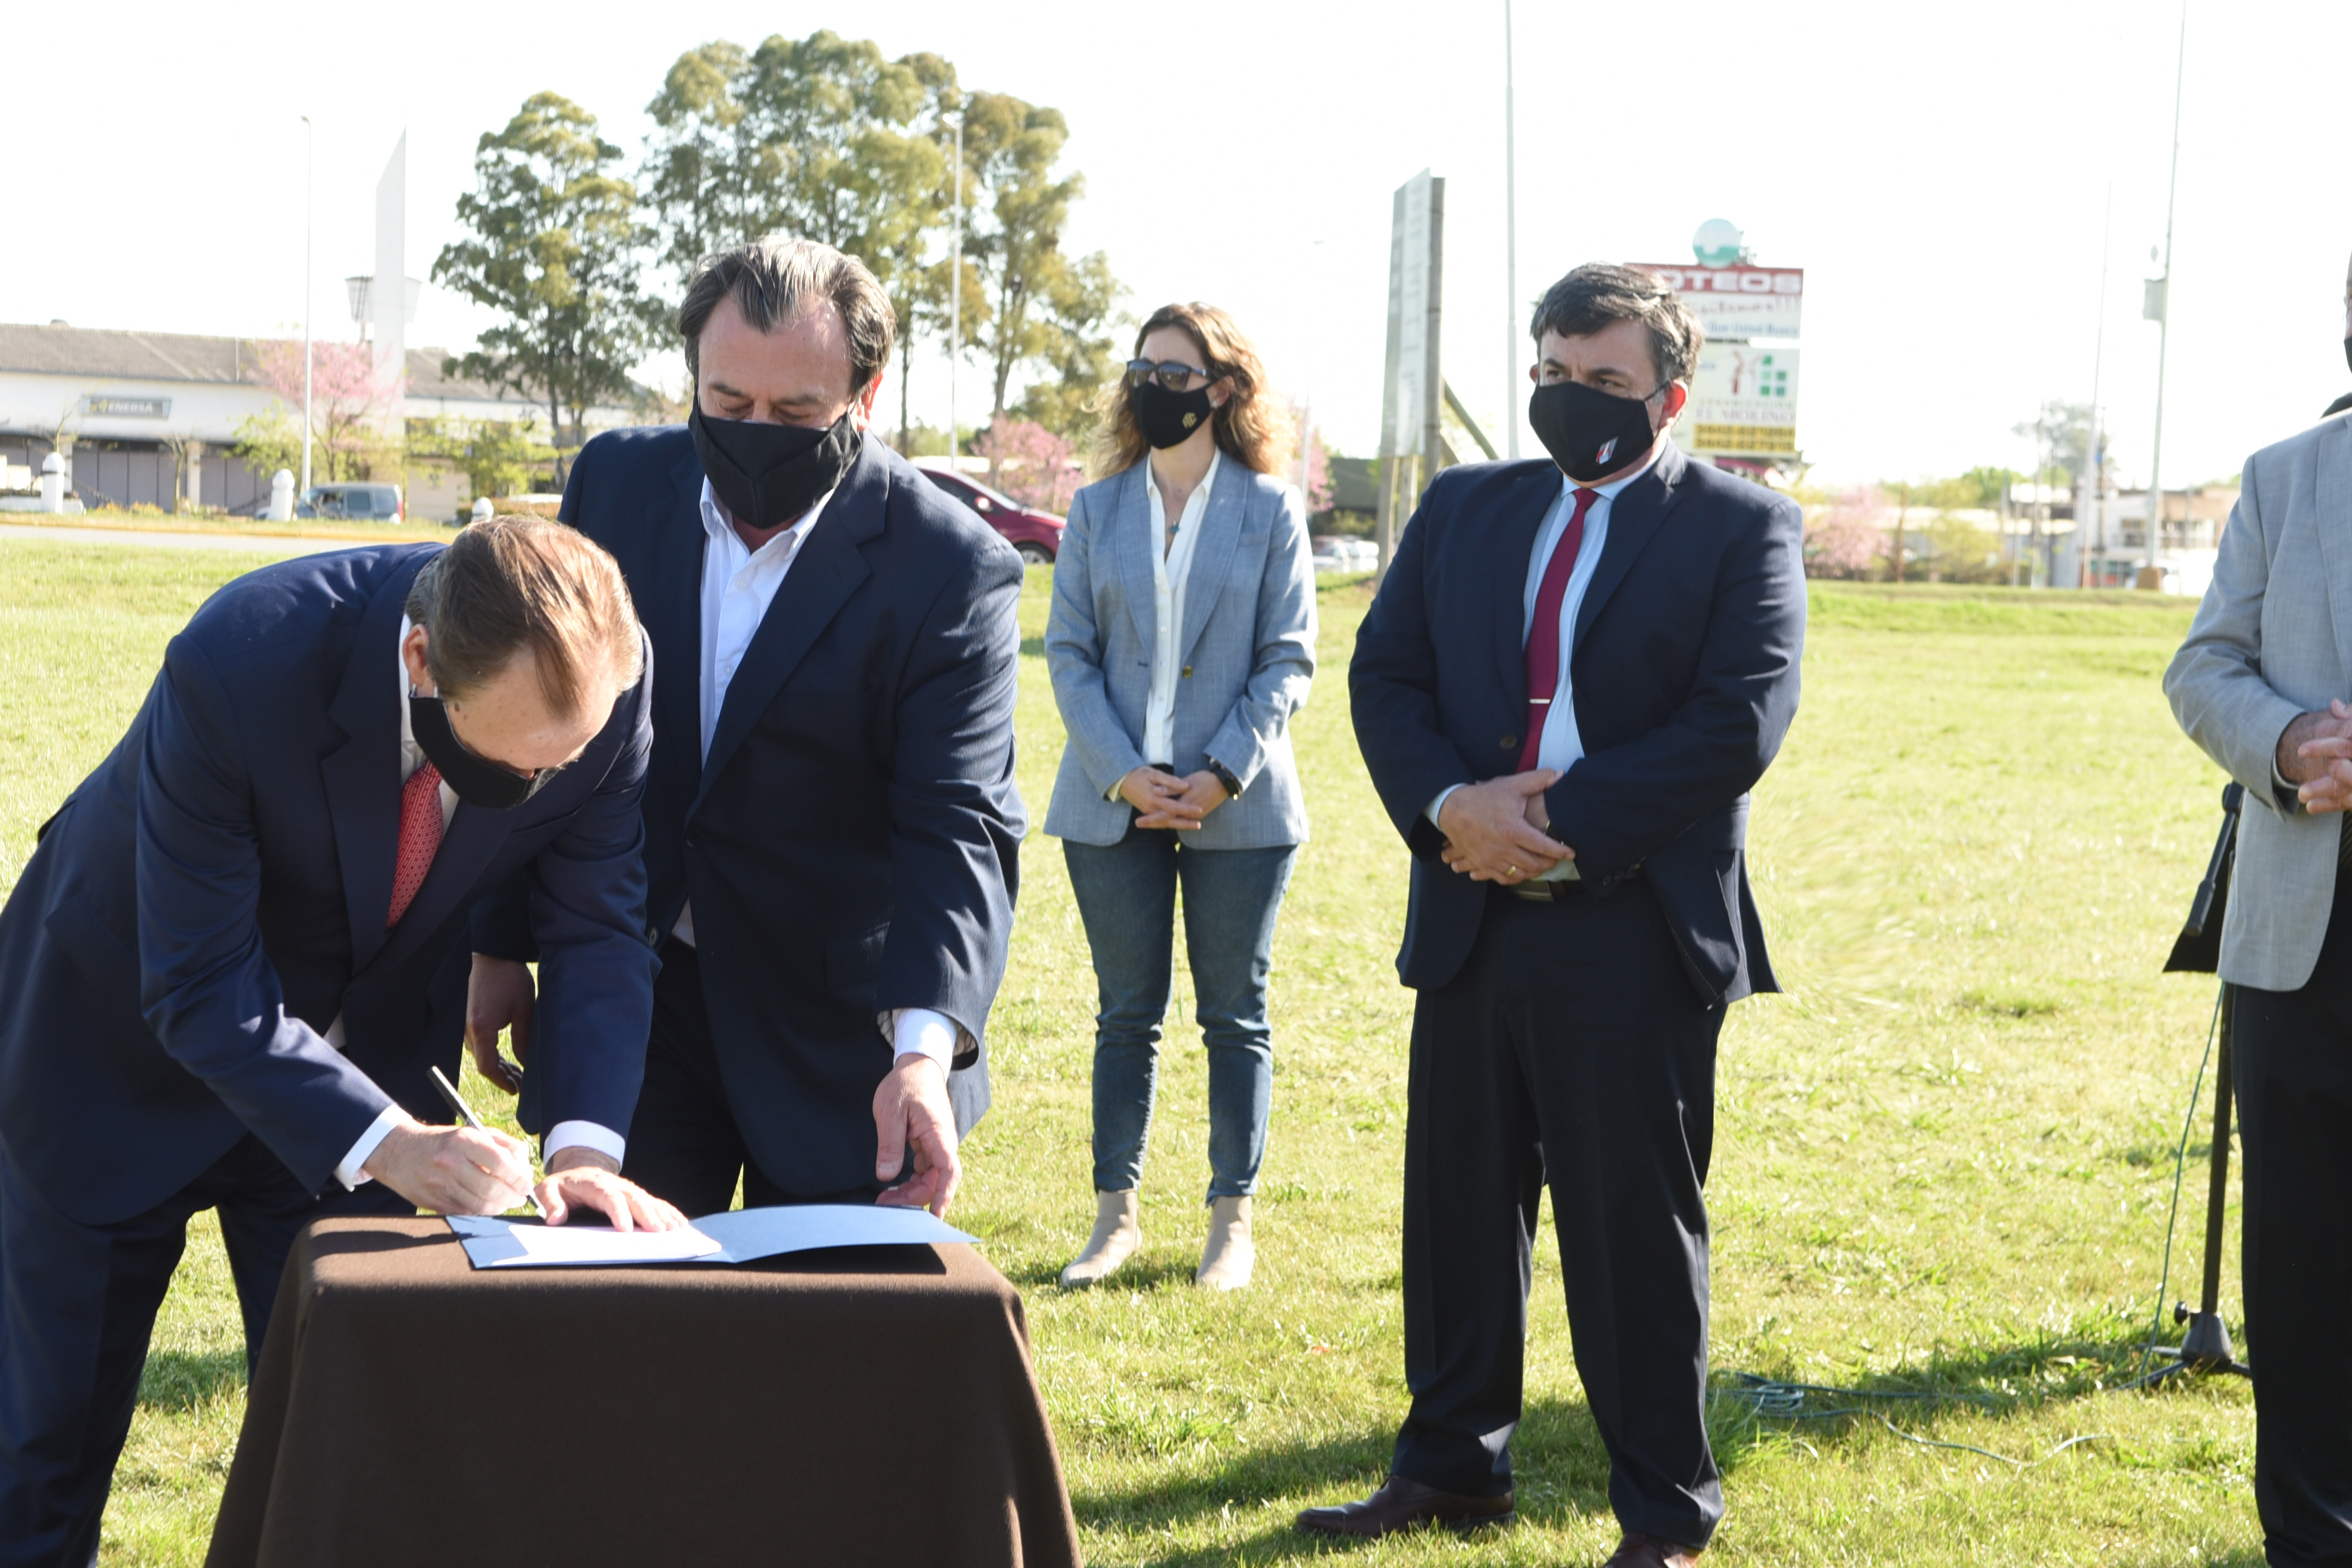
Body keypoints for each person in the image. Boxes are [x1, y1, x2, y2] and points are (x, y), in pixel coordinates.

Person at [0, 517, 684, 1566]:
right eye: (516, 766)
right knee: (41, 1455)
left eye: (567, 763)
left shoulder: (610, 688)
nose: (544, 790)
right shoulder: (240, 658)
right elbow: (199, 985)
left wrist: (585, 1152)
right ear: (420, 662)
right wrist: (393, 1145)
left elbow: (596, 928)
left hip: (373, 1068)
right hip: (117, 1051)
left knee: (365, 1438)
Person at [1311, 264, 1805, 1565]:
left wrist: (1552, 824)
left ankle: (1664, 1512)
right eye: (1552, 372)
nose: (1571, 400)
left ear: (1670, 396)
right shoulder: (1465, 510)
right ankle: (1452, 1467)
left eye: (1605, 383)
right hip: (1471, 906)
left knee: (1629, 1230)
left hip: (1629, 925)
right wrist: (1451, 811)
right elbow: (1386, 677)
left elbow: (1736, 723)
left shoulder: (1743, 528)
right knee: (1458, 1212)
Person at [469, 237, 1024, 1220]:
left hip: (840, 1047)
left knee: (815, 1353)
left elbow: (958, 824)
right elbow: (553, 733)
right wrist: (501, 942)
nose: (756, 431)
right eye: (727, 405)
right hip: (634, 997)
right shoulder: (615, 487)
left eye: (796, 412)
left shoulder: (951, 568)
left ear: (867, 391)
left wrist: (923, 1057)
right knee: (612, 1324)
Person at [1043, 303, 1317, 1292]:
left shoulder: (1271, 509)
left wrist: (1221, 772)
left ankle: (1228, 1225)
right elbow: (1068, 653)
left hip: (1236, 807)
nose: (1153, 387)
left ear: (1223, 389)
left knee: (1234, 1016)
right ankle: (1114, 1220)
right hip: (1109, 804)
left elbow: (1289, 659)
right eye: (1143, 369)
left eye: (1176, 371)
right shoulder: (1094, 508)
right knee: (1126, 1015)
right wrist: (1122, 770)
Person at [2166, 261, 2352, 1567]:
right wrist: (2286, 744)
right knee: (2300, 1272)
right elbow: (2203, 665)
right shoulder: (2287, 476)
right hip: (2307, 944)